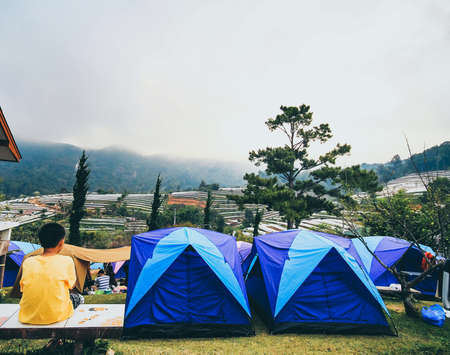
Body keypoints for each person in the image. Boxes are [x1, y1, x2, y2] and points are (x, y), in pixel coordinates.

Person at [18, 223, 81, 324]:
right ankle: (58, 338)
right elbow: (71, 286)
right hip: (56, 316)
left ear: (41, 241)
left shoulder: (28, 262)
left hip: (27, 317)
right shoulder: (66, 261)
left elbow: (22, 288)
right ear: (61, 242)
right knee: (79, 298)